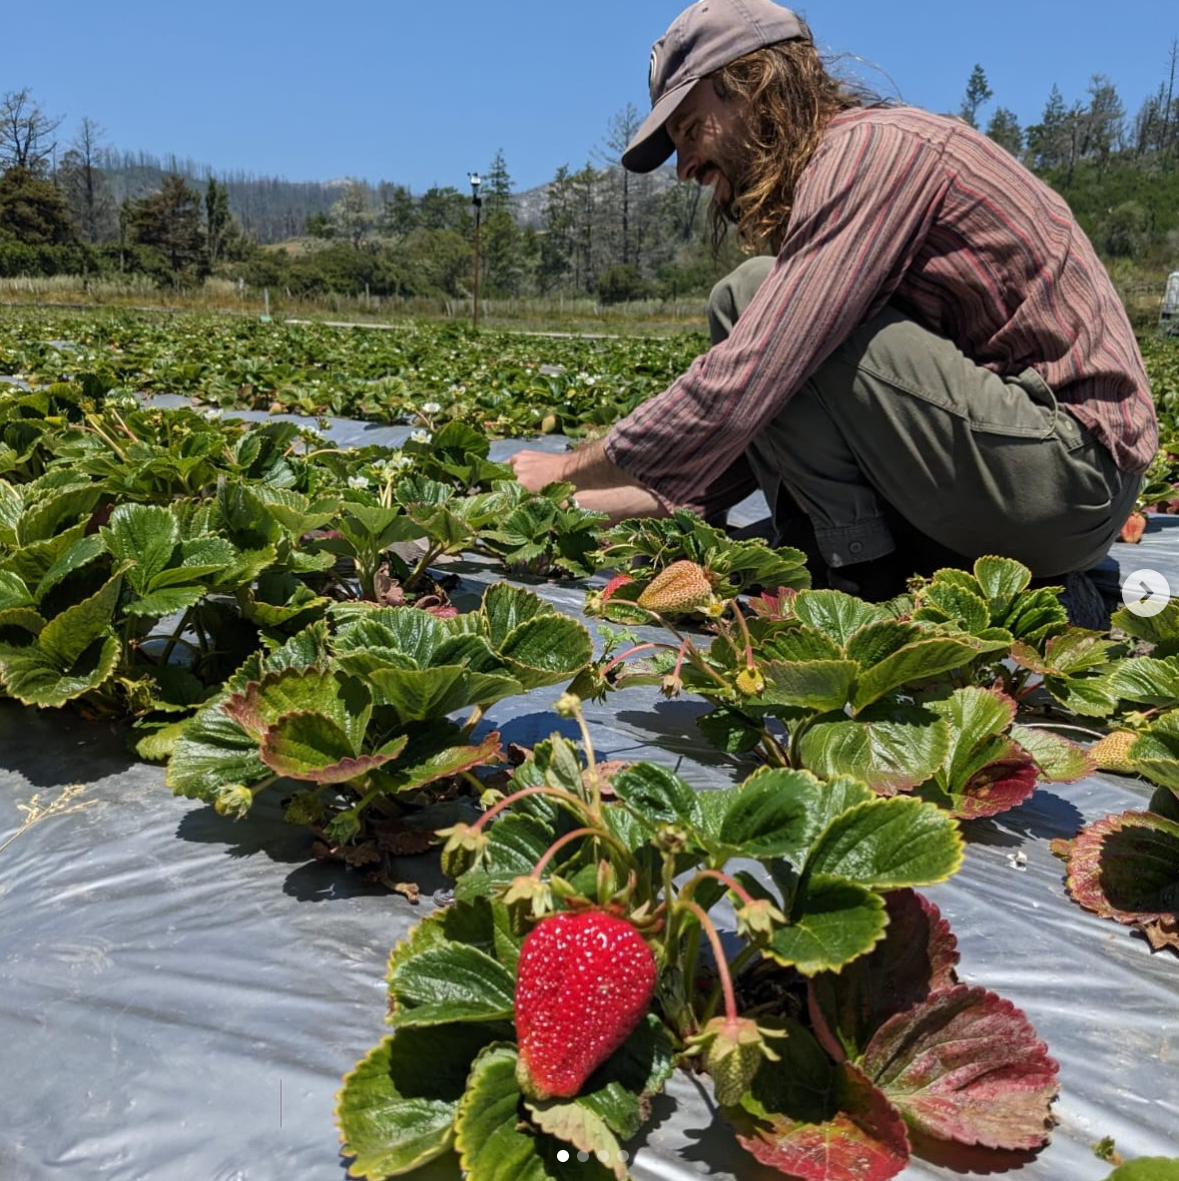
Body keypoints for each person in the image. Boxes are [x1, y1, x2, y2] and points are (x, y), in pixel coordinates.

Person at [509, 0, 1157, 603]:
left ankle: (866, 588)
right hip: (1033, 481)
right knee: (756, 306)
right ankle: (1006, 585)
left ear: (753, 83)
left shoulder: (866, 155)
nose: (682, 166)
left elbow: (746, 382)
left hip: (1068, 474)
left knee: (750, 299)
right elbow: (755, 433)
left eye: (687, 126)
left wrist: (566, 469)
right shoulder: (845, 171)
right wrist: (576, 505)